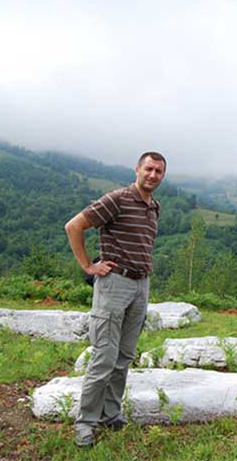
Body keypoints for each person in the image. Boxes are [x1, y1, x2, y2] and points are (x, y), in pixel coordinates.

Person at [65, 151, 166, 447]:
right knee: (104, 356)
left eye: (159, 171)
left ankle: (111, 414)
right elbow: (74, 226)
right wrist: (87, 266)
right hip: (114, 283)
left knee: (123, 357)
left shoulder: (154, 207)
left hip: (140, 285)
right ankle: (85, 422)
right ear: (137, 169)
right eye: (149, 169)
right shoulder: (117, 199)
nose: (153, 175)